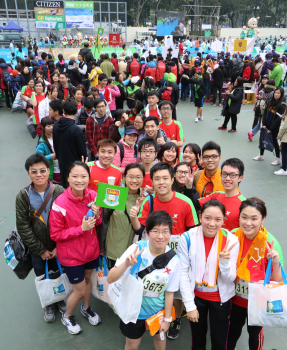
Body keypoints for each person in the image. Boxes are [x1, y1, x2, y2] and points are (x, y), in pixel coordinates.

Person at [107, 210, 180, 349]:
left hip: (158, 312)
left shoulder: (174, 260)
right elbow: (110, 279)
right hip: (133, 312)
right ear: (146, 232)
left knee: (160, 340)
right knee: (132, 345)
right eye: (155, 231)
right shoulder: (136, 249)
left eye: (165, 231)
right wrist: (126, 264)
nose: (161, 236)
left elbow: (169, 292)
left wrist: (167, 319)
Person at [178, 199, 239, 350]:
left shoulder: (231, 241)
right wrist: (190, 306)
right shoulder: (187, 237)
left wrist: (224, 262)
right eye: (207, 218)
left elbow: (230, 278)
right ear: (200, 217)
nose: (212, 224)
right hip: (197, 297)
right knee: (197, 341)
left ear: (223, 220)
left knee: (219, 342)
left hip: (221, 299)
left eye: (218, 219)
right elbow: (182, 273)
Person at [49, 161, 102, 335]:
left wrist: (96, 214)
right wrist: (81, 229)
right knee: (79, 290)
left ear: (89, 178)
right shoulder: (60, 203)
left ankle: (86, 309)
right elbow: (55, 235)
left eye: (83, 176)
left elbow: (98, 222)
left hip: (91, 250)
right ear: (68, 178)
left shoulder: (94, 195)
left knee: (87, 280)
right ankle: (67, 315)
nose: (79, 180)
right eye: (75, 176)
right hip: (71, 256)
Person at [227, 198, 283, 350]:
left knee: (254, 335)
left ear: (263, 219)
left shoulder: (270, 242)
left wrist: (275, 261)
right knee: (232, 331)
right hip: (235, 298)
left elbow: (279, 280)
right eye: (244, 217)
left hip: (258, 301)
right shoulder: (232, 236)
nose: (248, 223)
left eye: (254, 218)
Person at [16, 154, 65, 323]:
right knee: (42, 275)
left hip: (58, 245)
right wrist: (40, 250)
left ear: (48, 171)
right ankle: (48, 304)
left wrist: (59, 246)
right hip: (37, 248)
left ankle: (59, 298)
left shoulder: (59, 191)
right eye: (34, 171)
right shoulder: (23, 196)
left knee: (58, 272)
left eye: (42, 170)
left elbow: (68, 220)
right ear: (28, 173)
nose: (39, 175)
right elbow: (23, 226)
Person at [105, 163, 145, 267]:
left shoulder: (145, 197)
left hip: (136, 250)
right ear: (124, 177)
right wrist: (101, 246)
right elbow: (104, 220)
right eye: (131, 177)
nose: (134, 180)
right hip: (115, 248)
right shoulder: (115, 193)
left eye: (138, 177)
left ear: (143, 178)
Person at [199, 158, 246, 231]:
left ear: (240, 178)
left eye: (232, 175)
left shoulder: (244, 204)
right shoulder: (216, 195)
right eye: (224, 174)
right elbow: (194, 204)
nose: (227, 178)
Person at [53, 99, 87, 188]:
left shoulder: (56, 125)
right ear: (76, 112)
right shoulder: (76, 130)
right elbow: (83, 153)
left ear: (63, 111)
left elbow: (55, 145)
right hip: (74, 168)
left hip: (62, 164)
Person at [253, 87, 285, 164]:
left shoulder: (282, 105)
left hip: (274, 128)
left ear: (281, 95)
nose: (276, 94)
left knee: (274, 142)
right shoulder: (270, 102)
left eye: (278, 93)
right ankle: (261, 155)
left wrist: (271, 129)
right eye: (275, 92)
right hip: (266, 125)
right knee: (262, 139)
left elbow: (278, 119)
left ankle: (278, 158)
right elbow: (265, 114)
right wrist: (264, 124)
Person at [36, 117, 61, 184]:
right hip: (52, 171)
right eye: (48, 126)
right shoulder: (41, 143)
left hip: (62, 169)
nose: (51, 128)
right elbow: (39, 159)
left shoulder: (59, 137)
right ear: (43, 127)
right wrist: (50, 156)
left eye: (52, 125)